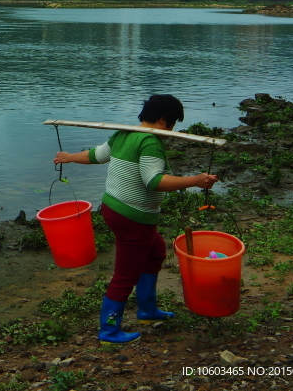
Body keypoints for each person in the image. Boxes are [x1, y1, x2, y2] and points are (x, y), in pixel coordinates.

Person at [53, 94, 217, 344]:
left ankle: (147, 310)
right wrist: (195, 180)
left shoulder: (123, 134)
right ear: (163, 120)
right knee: (125, 275)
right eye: (172, 124)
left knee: (155, 252)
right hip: (132, 216)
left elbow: (97, 155)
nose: (171, 131)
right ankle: (109, 331)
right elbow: (154, 181)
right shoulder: (150, 143)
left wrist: (70, 156)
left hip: (114, 208)